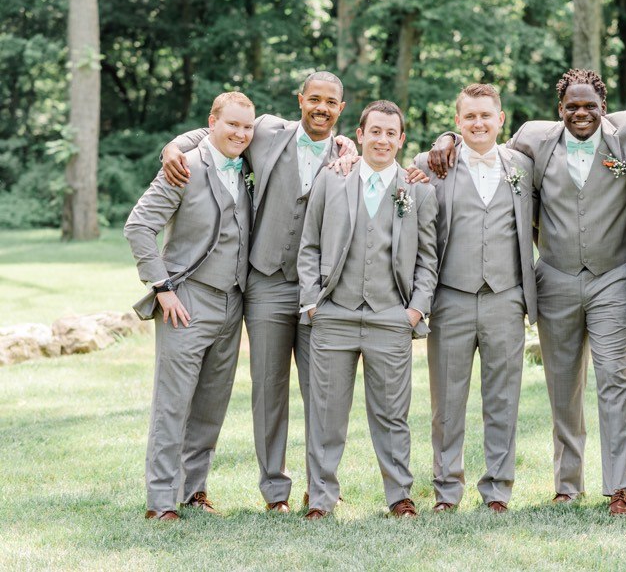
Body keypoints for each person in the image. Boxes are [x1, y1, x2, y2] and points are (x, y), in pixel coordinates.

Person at [429, 69, 626, 514]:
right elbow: (483, 144)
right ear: (560, 110)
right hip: (554, 279)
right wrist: (447, 138)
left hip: (614, 278)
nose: (582, 113)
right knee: (562, 385)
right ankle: (568, 483)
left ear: (604, 107)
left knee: (613, 380)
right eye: (572, 106)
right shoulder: (534, 139)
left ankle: (619, 487)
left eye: (590, 105)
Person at [160, 72, 351, 512]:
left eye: (331, 102)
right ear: (300, 100)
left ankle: (321, 489)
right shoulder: (266, 130)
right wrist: (172, 147)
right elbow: (212, 132)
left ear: (341, 109)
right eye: (314, 99)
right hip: (265, 282)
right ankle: (275, 492)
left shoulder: (347, 157)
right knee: (268, 389)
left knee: (323, 392)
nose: (321, 108)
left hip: (321, 290)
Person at [297, 100, 439, 519]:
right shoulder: (331, 179)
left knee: (392, 414)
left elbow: (428, 259)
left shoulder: (419, 189)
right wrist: (312, 303)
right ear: (360, 135)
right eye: (375, 131)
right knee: (326, 414)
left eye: (391, 133)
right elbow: (309, 245)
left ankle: (399, 496)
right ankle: (321, 498)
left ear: (401, 139)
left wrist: (414, 311)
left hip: (391, 316)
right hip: (334, 314)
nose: (382, 139)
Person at [125, 91, 255, 521]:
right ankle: (161, 501)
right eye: (231, 124)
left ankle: (194, 490)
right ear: (212, 123)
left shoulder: (249, 164)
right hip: (187, 299)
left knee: (211, 405)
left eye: (246, 126)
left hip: (233, 302)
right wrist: (162, 287)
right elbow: (139, 226)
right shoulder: (183, 166)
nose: (240, 133)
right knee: (173, 403)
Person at [409, 84, 536, 513]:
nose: (478, 123)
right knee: (446, 403)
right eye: (470, 117)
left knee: (503, 400)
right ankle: (447, 490)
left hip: (506, 297)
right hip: (451, 298)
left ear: (501, 119)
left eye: (486, 115)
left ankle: (498, 490)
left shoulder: (523, 165)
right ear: (457, 122)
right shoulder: (431, 165)